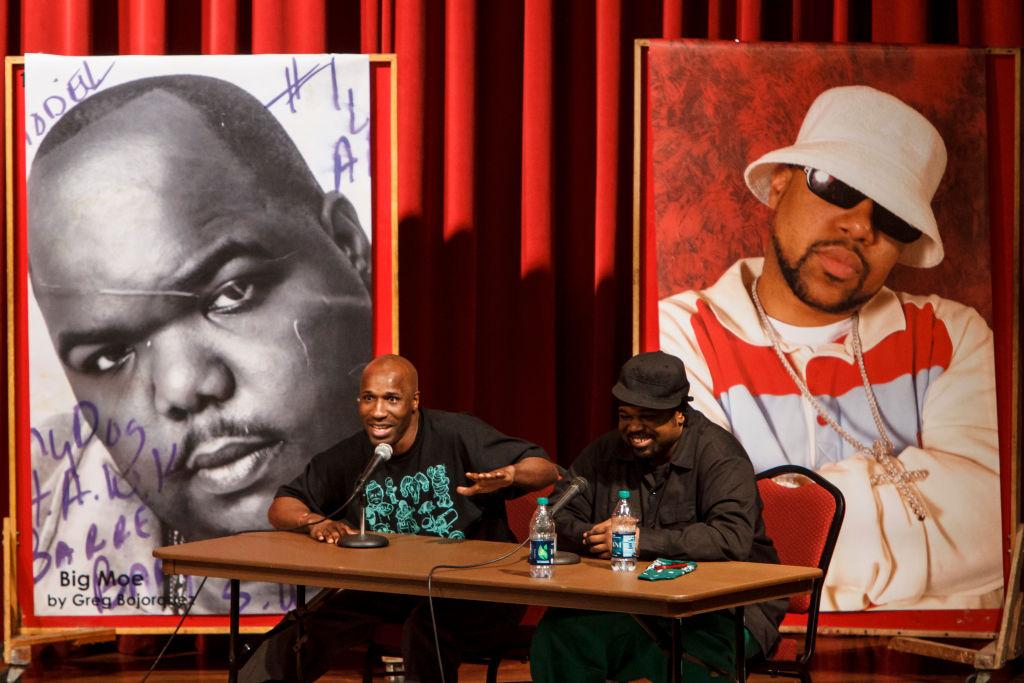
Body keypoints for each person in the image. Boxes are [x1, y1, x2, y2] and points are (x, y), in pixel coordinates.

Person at [659, 85, 1000, 611]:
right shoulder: (680, 335)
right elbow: (693, 537)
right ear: (778, 187)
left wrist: (786, 546)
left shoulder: (952, 334)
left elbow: (994, 528)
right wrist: (914, 526)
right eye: (838, 187)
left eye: (893, 217)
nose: (861, 225)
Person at [28, 73, 373, 548]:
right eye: (108, 356)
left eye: (231, 293)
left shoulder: (451, 457)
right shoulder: (37, 513)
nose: (181, 386)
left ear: (349, 249)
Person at [241, 354, 558, 682]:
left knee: (425, 628)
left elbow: (546, 468)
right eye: (369, 399)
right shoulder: (354, 455)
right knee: (307, 625)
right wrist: (314, 521)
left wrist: (512, 474)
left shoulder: (458, 434)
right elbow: (282, 505)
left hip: (477, 589)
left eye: (391, 399)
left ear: (414, 402)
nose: (378, 412)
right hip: (398, 588)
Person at [529, 351, 784, 683]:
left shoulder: (721, 456)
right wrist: (594, 535)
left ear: (680, 414)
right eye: (625, 415)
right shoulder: (604, 452)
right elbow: (558, 516)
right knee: (561, 635)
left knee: (687, 657)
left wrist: (637, 541)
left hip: (726, 610)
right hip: (636, 603)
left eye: (648, 417)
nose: (634, 428)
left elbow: (730, 538)